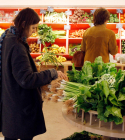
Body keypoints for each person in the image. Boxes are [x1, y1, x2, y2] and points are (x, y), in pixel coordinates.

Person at [0, 8, 67, 140]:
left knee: (11, 135)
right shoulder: (17, 46)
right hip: (20, 104)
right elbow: (27, 79)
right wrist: (51, 72)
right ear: (24, 24)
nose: (34, 32)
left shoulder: (7, 37)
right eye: (33, 28)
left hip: (10, 100)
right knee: (23, 135)